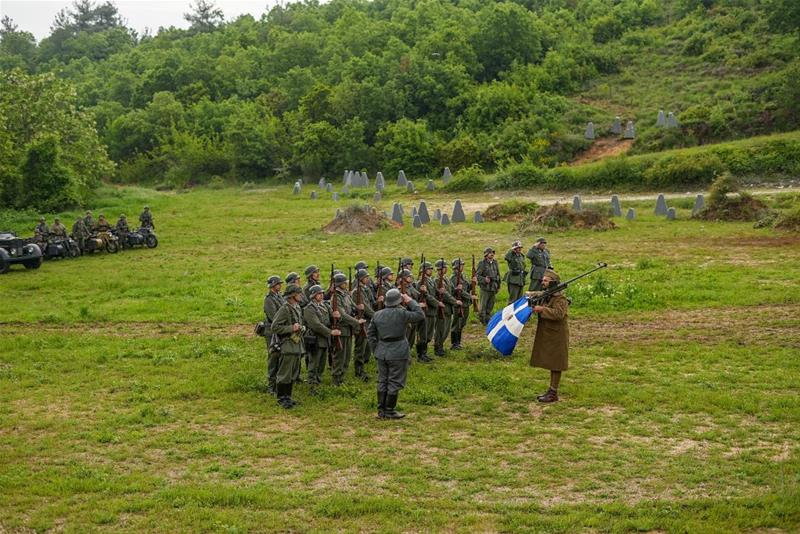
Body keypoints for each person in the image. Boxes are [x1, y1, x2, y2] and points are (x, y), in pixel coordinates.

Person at [367, 288, 425, 419]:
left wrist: (376, 349)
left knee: (382, 381)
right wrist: (410, 301)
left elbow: (370, 335)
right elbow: (420, 314)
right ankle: (389, 410)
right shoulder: (402, 313)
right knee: (394, 381)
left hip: (382, 351)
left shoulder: (377, 314)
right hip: (398, 351)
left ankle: (381, 411)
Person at [528, 269, 569, 403]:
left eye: (545, 280)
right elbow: (540, 294)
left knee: (556, 363)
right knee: (552, 362)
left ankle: (553, 392)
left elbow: (558, 314)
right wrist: (530, 294)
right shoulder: (549, 294)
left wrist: (541, 309)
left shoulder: (560, 298)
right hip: (550, 333)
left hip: (557, 334)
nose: (542, 282)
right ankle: (551, 391)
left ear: (552, 283)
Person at [270, 284, 306, 409]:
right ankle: (281, 398)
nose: (301, 295)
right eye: (298, 293)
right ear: (292, 295)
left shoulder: (297, 307)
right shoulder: (285, 309)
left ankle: (288, 397)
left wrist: (301, 328)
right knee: (284, 373)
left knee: (292, 373)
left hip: (296, 345)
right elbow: (274, 327)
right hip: (287, 345)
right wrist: (291, 328)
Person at [330, 272, 365, 386]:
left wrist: (358, 308)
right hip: (342, 329)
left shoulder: (345, 295)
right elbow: (343, 315)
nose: (346, 283)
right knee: (340, 356)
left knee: (347, 356)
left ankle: (342, 377)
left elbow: (352, 306)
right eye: (344, 282)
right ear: (339, 284)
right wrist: (356, 322)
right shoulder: (335, 298)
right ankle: (336, 379)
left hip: (348, 329)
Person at [303, 284, 338, 389]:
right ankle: (311, 382)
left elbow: (331, 318)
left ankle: (318, 379)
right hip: (315, 339)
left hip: (324, 339)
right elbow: (316, 325)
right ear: (313, 296)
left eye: (322, 293)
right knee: (314, 362)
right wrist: (330, 332)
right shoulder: (309, 309)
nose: (321, 295)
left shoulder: (324, 305)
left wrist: (336, 316)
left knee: (322, 362)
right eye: (319, 294)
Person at [351, 268, 375, 381]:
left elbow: (371, 302)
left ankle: (362, 368)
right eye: (366, 277)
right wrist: (375, 316)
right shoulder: (356, 292)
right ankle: (358, 370)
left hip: (367, 321)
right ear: (361, 279)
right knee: (360, 347)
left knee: (365, 346)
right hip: (362, 321)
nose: (368, 279)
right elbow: (364, 307)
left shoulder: (366, 289)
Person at [433, 259, 459, 357]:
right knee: (440, 329)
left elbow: (451, 290)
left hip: (448, 309)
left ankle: (441, 346)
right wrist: (455, 301)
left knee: (446, 329)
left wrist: (457, 289)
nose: (446, 269)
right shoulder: (436, 280)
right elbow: (444, 295)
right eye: (444, 267)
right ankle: (438, 347)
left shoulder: (446, 279)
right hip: (442, 309)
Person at [263, 275, 285, 395]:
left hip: (280, 330)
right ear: (272, 285)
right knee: (273, 358)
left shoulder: (279, 296)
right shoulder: (268, 299)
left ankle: (279, 382)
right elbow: (273, 316)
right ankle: (271, 385)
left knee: (280, 357)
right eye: (278, 284)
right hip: (272, 332)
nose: (280, 285)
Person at [415, 261, 439, 361]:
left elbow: (434, 292)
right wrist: (436, 303)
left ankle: (424, 353)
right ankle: (421, 354)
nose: (431, 270)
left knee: (429, 334)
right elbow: (424, 296)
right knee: (423, 335)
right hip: (426, 311)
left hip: (431, 311)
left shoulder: (430, 281)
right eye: (429, 269)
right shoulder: (420, 282)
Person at [449, 258, 472, 350]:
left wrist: (473, 283)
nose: (462, 267)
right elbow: (458, 291)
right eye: (461, 265)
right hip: (458, 304)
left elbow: (467, 287)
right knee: (456, 324)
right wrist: (470, 297)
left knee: (462, 323)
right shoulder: (453, 278)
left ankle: (458, 342)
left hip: (465, 304)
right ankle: (454, 343)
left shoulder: (463, 276)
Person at [476, 247, 501, 325]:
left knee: (490, 305)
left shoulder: (495, 263)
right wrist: (484, 279)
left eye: (493, 253)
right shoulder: (482, 263)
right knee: (483, 305)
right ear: (486, 254)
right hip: (485, 288)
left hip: (493, 287)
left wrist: (499, 285)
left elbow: (498, 274)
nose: (492, 254)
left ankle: (488, 320)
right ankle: (482, 321)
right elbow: (477, 275)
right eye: (490, 253)